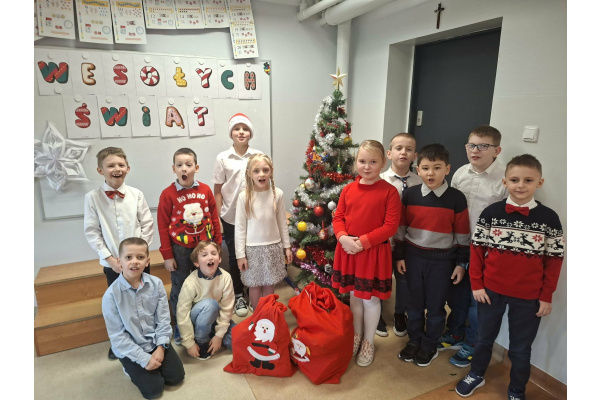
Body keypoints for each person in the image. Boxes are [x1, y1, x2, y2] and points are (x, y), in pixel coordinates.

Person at [455, 154, 564, 400]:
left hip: (529, 297)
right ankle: (477, 374)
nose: (521, 185)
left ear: (540, 182)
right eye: (514, 180)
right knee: (483, 338)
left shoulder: (549, 219)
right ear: (505, 182)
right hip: (490, 291)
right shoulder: (491, 213)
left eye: (528, 180)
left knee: (520, 348)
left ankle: (516, 389)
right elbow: (477, 250)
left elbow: (554, 260)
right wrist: (477, 285)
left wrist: (546, 295)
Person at [439, 125, 508, 367]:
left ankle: (473, 343)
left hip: (486, 251)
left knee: (477, 301)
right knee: (456, 295)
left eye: (483, 146)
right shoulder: (460, 173)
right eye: (471, 145)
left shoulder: (504, 179)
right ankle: (455, 333)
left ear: (496, 150)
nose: (475, 150)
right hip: (459, 245)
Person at [396, 143, 470, 367]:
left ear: (447, 169)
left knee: (436, 307)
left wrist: (461, 263)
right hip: (413, 258)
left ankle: (429, 344)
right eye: (426, 168)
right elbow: (401, 229)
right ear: (417, 170)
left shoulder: (456, 198)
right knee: (414, 304)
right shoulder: (410, 195)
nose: (431, 173)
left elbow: (462, 234)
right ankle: (414, 340)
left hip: (442, 262)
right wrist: (399, 256)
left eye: (437, 168)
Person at [332, 140, 401, 367]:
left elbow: (390, 227)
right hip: (348, 250)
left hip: (372, 253)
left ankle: (368, 342)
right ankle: (357, 334)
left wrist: (362, 243)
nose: (367, 166)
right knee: (354, 296)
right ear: (356, 162)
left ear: (383, 163)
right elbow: (338, 217)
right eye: (362, 161)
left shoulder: (390, 192)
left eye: (373, 162)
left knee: (370, 299)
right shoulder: (348, 189)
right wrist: (343, 237)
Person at [84, 147, 153, 360]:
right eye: (111, 165)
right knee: (119, 303)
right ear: (100, 170)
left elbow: (147, 224)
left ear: (128, 168)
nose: (117, 169)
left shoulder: (136, 194)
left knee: (144, 299)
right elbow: (92, 231)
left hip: (139, 262)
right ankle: (120, 342)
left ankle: (147, 337)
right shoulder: (92, 198)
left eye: (121, 165)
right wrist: (111, 260)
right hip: (113, 263)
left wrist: (140, 257)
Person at [102, 237, 185, 399]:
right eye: (128, 257)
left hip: (154, 341)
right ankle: (129, 366)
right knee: (153, 390)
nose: (134, 262)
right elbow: (117, 336)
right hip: (132, 348)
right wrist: (143, 359)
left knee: (176, 378)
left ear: (147, 262)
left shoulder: (156, 284)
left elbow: (163, 320)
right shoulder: (110, 296)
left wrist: (161, 347)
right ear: (119, 261)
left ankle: (155, 361)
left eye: (140, 257)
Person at [157, 148, 222, 345]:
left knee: (206, 285)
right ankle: (180, 327)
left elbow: (214, 218)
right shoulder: (168, 194)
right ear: (174, 169)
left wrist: (217, 245)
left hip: (205, 248)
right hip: (181, 250)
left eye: (188, 164)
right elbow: (162, 226)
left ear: (196, 167)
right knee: (180, 288)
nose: (184, 169)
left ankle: (206, 321)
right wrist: (167, 255)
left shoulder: (205, 190)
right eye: (179, 165)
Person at [213, 113, 263, 318]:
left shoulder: (258, 155)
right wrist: (219, 217)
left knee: (253, 254)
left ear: (250, 133)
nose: (241, 132)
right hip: (231, 216)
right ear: (231, 133)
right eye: (236, 129)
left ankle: (253, 291)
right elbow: (217, 190)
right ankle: (238, 293)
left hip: (254, 216)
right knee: (235, 256)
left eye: (245, 129)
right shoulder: (223, 158)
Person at [376, 132, 421, 338]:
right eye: (399, 148)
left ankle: (400, 313)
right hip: (384, 242)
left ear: (415, 156)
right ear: (389, 153)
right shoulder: (380, 180)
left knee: (404, 281)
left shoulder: (420, 182)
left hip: (408, 242)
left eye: (409, 149)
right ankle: (377, 314)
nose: (403, 152)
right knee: (380, 278)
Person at [234, 154, 292, 312]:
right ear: (249, 173)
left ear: (271, 171)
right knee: (254, 284)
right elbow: (240, 228)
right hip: (252, 250)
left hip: (273, 247)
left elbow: (282, 222)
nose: (261, 174)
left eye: (265, 170)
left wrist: (287, 247)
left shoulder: (278, 194)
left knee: (269, 283)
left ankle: (268, 315)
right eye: (256, 171)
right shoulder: (244, 196)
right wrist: (240, 255)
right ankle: (257, 315)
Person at [176, 241, 236, 361]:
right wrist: (189, 343)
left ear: (219, 259)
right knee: (210, 305)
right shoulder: (190, 282)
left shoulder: (226, 277)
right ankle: (201, 340)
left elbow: (227, 308)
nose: (210, 257)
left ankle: (212, 334)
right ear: (196, 263)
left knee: (239, 341)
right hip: (196, 320)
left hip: (216, 317)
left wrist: (219, 335)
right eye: (204, 255)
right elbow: (182, 313)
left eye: (213, 253)